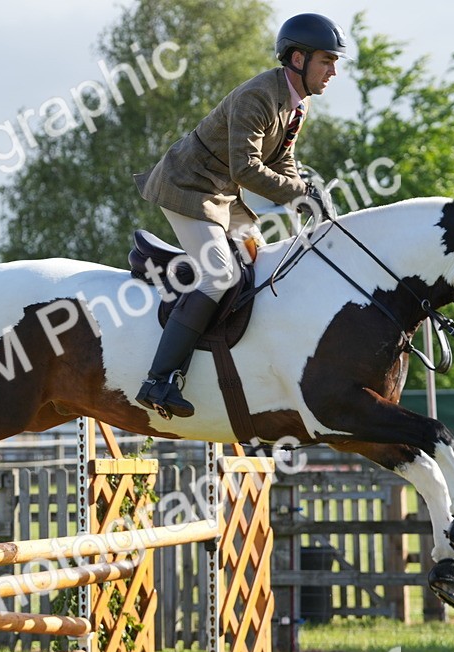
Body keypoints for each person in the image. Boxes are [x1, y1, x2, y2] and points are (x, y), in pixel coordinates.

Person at [132, 13, 349, 419]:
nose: (333, 71)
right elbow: (246, 169)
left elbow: (282, 159)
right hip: (188, 187)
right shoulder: (259, 96)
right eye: (326, 60)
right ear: (298, 59)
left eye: (335, 62)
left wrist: (303, 198)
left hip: (221, 195)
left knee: (261, 263)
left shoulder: (295, 105)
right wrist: (302, 191)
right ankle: (158, 379)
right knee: (220, 275)